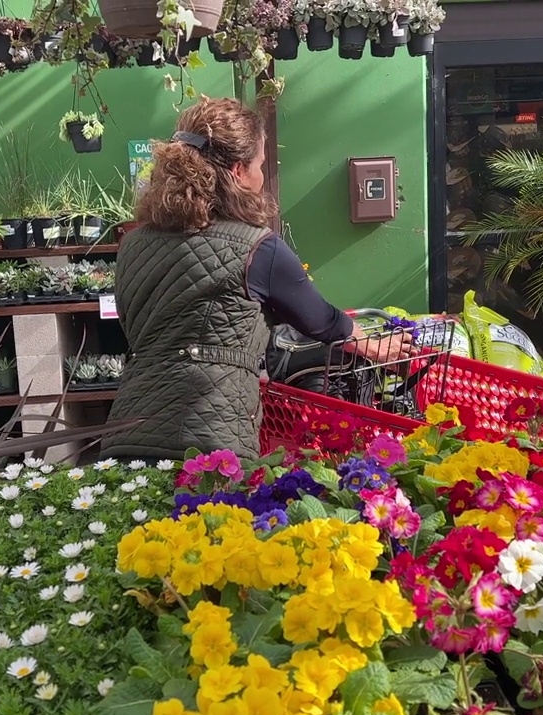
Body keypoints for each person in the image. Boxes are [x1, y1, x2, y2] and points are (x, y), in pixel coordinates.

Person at [101, 97, 412, 462]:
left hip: (127, 427)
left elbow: (147, 325)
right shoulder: (256, 248)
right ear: (237, 171)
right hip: (208, 437)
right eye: (261, 165)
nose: (263, 177)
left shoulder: (134, 243)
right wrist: (371, 344)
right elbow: (319, 319)